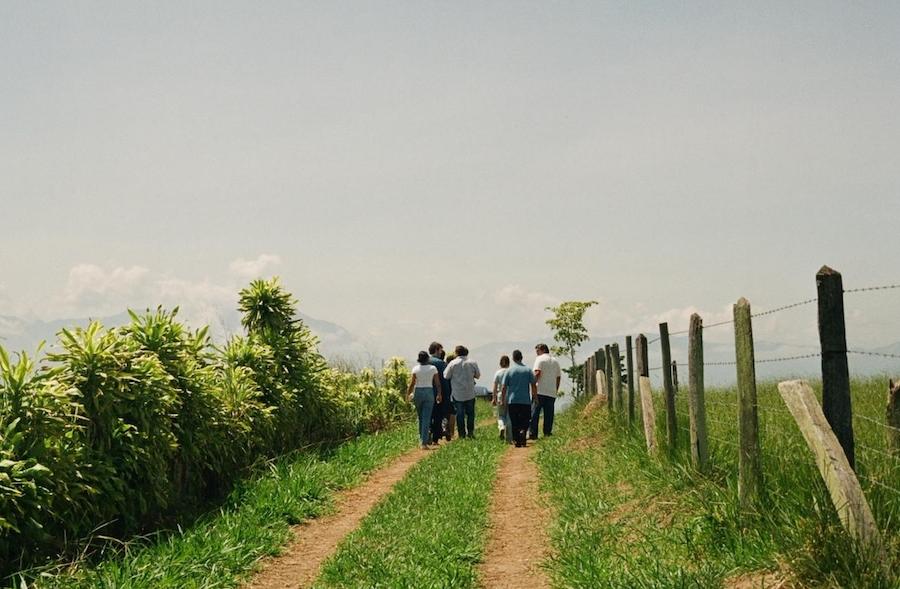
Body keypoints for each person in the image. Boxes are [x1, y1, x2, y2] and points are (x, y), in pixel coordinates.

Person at [443, 345, 480, 439]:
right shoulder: (472, 362)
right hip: (470, 392)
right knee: (470, 414)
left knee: (460, 415)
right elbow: (478, 375)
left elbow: (446, 376)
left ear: (456, 353)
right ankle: (470, 433)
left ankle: (461, 434)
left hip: (457, 393)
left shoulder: (452, 363)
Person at [501, 349, 536, 447]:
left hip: (513, 400)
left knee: (514, 420)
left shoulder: (509, 371)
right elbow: (533, 385)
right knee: (525, 420)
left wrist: (502, 399)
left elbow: (504, 387)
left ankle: (516, 440)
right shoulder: (528, 370)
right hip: (525, 401)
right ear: (522, 358)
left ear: (513, 358)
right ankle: (523, 433)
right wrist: (535, 397)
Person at [408, 351, 442, 449]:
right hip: (429, 391)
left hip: (418, 391)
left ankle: (421, 438)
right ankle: (424, 442)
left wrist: (407, 394)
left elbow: (412, 383)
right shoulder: (432, 368)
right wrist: (439, 394)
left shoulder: (415, 369)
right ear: (427, 358)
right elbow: (437, 383)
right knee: (427, 417)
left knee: (420, 417)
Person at [530, 343, 561, 439]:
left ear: (542, 350)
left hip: (540, 390)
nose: (537, 354)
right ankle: (547, 433)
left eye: (537, 351)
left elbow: (537, 372)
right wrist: (555, 389)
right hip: (551, 391)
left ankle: (533, 433)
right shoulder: (555, 361)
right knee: (549, 414)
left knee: (535, 413)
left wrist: (532, 384)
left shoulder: (540, 359)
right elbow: (558, 377)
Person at [428, 342, 451, 444]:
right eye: (440, 350)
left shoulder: (425, 361)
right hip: (439, 393)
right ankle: (435, 438)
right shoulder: (441, 363)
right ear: (437, 349)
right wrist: (446, 394)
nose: (441, 352)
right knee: (438, 415)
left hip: (426, 391)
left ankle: (426, 433)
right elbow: (445, 380)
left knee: (427, 415)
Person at [492, 355, 512, 443]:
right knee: (509, 415)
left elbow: (495, 387)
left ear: (500, 363)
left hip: (500, 395)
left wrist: (494, 398)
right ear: (509, 363)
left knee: (501, 415)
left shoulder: (498, 373)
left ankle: (501, 427)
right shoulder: (511, 372)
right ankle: (509, 437)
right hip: (510, 395)